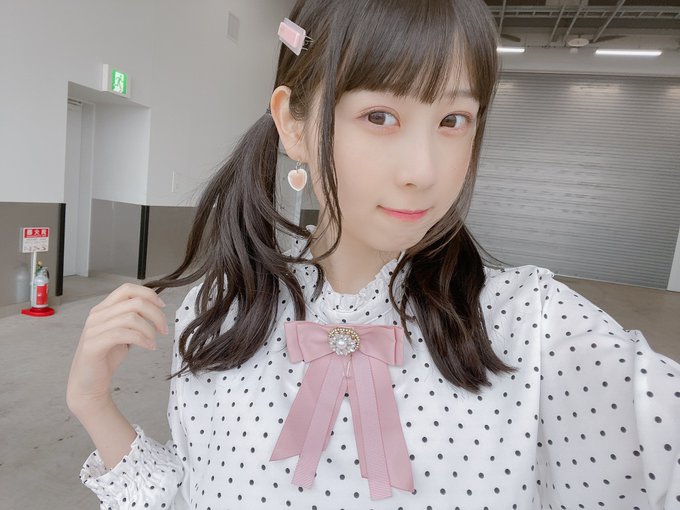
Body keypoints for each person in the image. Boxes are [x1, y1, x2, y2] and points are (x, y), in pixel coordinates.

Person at [66, 0, 680, 508]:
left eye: (454, 120)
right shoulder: (221, 312)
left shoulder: (535, 325)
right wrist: (93, 404)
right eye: (380, 115)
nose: (424, 170)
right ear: (294, 125)